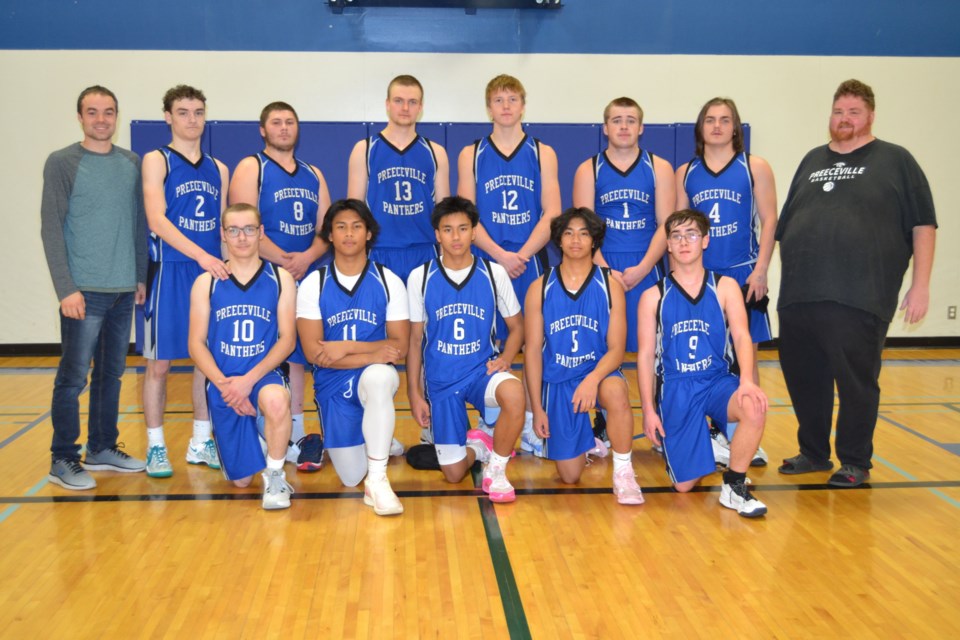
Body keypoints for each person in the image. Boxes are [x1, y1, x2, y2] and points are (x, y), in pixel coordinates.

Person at [776, 79, 937, 487]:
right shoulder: (813, 160)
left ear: (870, 116)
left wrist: (921, 286)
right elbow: (787, 224)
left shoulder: (896, 160)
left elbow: (923, 225)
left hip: (860, 294)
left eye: (853, 112)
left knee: (855, 382)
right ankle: (813, 452)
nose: (844, 119)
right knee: (804, 377)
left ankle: (855, 461)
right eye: (838, 111)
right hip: (800, 294)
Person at [41, 85, 148, 490]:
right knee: (72, 378)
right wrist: (65, 288)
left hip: (123, 289)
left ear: (116, 117)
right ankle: (63, 458)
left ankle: (102, 446)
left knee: (112, 374)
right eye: (92, 112)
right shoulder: (62, 163)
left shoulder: (131, 162)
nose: (101, 119)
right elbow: (51, 229)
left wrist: (139, 276)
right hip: (83, 291)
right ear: (80, 117)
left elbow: (138, 224)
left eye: (108, 112)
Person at [637, 209, 768, 517]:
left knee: (753, 403)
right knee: (684, 486)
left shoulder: (724, 287)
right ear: (668, 244)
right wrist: (648, 410)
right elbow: (644, 357)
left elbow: (741, 335)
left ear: (705, 241)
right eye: (677, 236)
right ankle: (709, 445)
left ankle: (734, 486)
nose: (684, 242)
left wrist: (747, 380)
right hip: (677, 388)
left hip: (717, 381)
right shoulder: (652, 296)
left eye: (692, 235)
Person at [457, 74, 561, 455]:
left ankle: (533, 420)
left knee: (534, 342)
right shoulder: (471, 153)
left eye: (512, 98)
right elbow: (466, 214)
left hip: (530, 259)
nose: (505, 106)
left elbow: (552, 212)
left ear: (522, 105)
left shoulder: (542, 152)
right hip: (486, 257)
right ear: (488, 107)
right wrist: (500, 256)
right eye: (498, 99)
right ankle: (489, 421)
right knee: (489, 340)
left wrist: (522, 255)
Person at [228, 101, 331, 468]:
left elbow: (326, 229)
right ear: (262, 129)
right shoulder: (251, 167)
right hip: (262, 273)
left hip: (303, 273)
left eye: (290, 122)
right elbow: (242, 224)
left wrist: (306, 258)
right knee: (264, 347)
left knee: (299, 352)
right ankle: (254, 424)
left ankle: (296, 430)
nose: (284, 128)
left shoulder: (313, 174)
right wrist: (286, 260)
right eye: (276, 122)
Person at [675, 97, 777, 467]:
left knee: (746, 355)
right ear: (700, 128)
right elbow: (679, 227)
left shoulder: (755, 166)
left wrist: (762, 268)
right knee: (704, 354)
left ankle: (749, 434)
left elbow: (769, 220)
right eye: (710, 120)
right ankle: (715, 434)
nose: (717, 126)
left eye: (725, 119)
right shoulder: (686, 171)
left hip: (742, 271)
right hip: (699, 277)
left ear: (736, 127)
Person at [406, 196, 526, 503]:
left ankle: (497, 471)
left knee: (514, 393)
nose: (455, 237)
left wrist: (506, 358)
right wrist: (415, 395)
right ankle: (480, 446)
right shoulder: (420, 277)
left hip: (480, 372)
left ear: (474, 232)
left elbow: (517, 328)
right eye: (448, 229)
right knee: (454, 473)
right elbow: (415, 341)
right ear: (437, 234)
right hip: (442, 382)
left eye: (463, 228)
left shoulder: (493, 273)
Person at [296, 200, 410, 516]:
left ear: (369, 233)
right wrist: (373, 351)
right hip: (333, 384)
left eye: (357, 226)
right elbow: (314, 354)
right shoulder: (313, 284)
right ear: (330, 235)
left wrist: (344, 347)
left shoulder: (389, 281)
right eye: (341, 227)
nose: (349, 234)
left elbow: (400, 347)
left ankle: (379, 480)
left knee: (379, 377)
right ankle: (378, 435)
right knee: (349, 476)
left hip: (370, 376)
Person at [523, 207, 644, 505]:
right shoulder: (539, 287)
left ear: (594, 241)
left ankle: (624, 472)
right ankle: (588, 441)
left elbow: (617, 349)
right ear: (559, 241)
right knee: (569, 475)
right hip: (558, 380)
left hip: (598, 374)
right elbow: (533, 354)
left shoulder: (610, 285)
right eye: (568, 233)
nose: (576, 239)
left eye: (584, 233)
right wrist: (536, 409)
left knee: (615, 391)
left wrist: (592, 378)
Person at [142, 85, 229, 478]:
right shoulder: (156, 160)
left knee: (203, 362)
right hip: (172, 269)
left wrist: (228, 262)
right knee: (159, 364)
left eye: (198, 112)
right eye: (183, 112)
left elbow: (225, 226)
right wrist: (201, 255)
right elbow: (157, 220)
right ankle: (156, 446)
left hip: (209, 271)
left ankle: (200, 439)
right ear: (168, 117)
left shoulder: (219, 169)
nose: (192, 119)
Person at [188, 203, 297, 509]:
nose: (242, 237)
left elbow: (287, 341)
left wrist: (247, 382)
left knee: (276, 401)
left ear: (261, 233)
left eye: (249, 229)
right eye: (233, 230)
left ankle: (275, 477)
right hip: (223, 381)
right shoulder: (206, 282)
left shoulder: (280, 278)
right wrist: (226, 386)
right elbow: (196, 344)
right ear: (223, 235)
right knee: (241, 481)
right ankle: (266, 434)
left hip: (263, 376)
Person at [572, 97, 675, 353]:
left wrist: (643, 268)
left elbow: (666, 224)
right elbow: (583, 230)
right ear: (605, 127)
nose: (624, 127)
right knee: (599, 347)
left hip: (646, 265)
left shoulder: (659, 167)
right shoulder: (588, 169)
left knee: (651, 349)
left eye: (631, 121)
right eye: (617, 121)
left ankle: (651, 396)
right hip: (600, 264)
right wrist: (606, 271)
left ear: (641, 127)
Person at [347, 74, 450, 284]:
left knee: (422, 318)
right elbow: (354, 213)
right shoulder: (364, 149)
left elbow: (444, 213)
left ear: (420, 107)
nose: (405, 108)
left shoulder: (435, 152)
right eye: (398, 101)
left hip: (424, 250)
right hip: (379, 251)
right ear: (387, 104)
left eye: (412, 102)